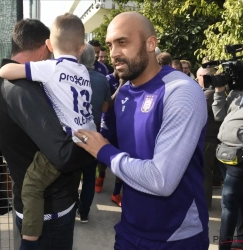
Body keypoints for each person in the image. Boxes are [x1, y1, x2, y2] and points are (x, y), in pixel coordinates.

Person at [74, 11, 209, 249]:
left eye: (122, 42)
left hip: (176, 236)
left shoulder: (181, 92)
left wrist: (104, 152)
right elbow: (104, 138)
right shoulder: (124, 92)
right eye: (110, 44)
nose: (114, 53)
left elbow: (161, 179)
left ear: (150, 43)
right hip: (129, 228)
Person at [0, 18, 93, 250]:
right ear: (46, 46)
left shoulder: (4, 82)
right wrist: (94, 152)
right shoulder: (22, 89)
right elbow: (64, 155)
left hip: (36, 202)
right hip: (50, 211)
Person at [212, 52, 243, 250]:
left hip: (242, 158)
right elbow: (219, 115)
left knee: (228, 204)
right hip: (224, 154)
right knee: (238, 200)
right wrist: (219, 90)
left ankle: (224, 246)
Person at [77, 43, 111, 223]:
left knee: (72, 174)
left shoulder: (69, 78)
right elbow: (105, 107)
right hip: (93, 134)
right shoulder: (102, 78)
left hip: (73, 134)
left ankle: (72, 207)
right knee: (90, 176)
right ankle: (84, 213)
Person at [95, 69, 125, 207]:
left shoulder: (132, 80)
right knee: (102, 156)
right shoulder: (106, 80)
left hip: (124, 126)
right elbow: (106, 106)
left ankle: (116, 193)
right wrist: (121, 86)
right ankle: (101, 175)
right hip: (107, 124)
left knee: (122, 158)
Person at [196, 67, 222, 208]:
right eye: (199, 75)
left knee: (205, 172)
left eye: (201, 76)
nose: (198, 79)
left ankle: (204, 203)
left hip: (208, 138)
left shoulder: (210, 93)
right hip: (206, 137)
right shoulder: (205, 92)